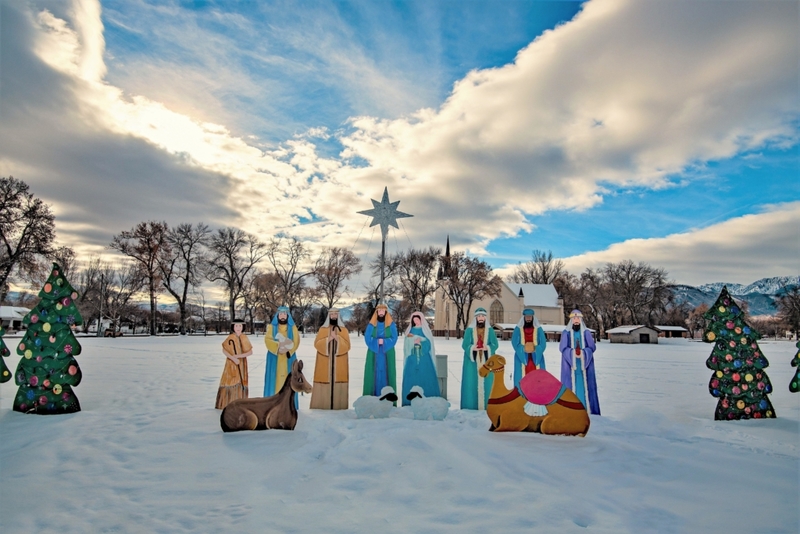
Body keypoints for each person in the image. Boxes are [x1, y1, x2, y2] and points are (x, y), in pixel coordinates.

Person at [560, 309, 600, 415]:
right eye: (574, 318)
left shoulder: (586, 333)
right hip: (570, 366)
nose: (576, 320)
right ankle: (570, 411)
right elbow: (563, 348)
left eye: (578, 318)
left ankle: (589, 410)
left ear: (581, 320)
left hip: (585, 367)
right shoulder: (566, 333)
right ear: (571, 320)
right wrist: (572, 353)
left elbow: (592, 347)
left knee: (586, 387)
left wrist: (583, 353)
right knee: (571, 387)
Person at [310, 308, 351, 410]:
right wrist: (328, 339)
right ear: (329, 316)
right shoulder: (322, 329)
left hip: (339, 362)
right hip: (324, 362)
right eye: (331, 314)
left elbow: (347, 346)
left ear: (338, 316)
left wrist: (337, 338)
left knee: (339, 378)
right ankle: (322, 404)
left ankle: (339, 404)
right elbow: (317, 344)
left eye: (335, 314)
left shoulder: (344, 330)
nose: (333, 316)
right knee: (324, 377)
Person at [460, 307, 498, 410]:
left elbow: (495, 344)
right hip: (472, 362)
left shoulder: (490, 331)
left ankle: (487, 405)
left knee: (488, 384)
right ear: (476, 318)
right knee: (471, 383)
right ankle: (471, 406)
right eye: (479, 316)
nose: (481, 318)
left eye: (482, 316)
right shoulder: (469, 330)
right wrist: (472, 348)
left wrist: (488, 348)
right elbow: (465, 344)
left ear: (485, 318)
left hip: (486, 361)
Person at [402, 311, 440, 405]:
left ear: (421, 320)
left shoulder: (425, 331)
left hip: (424, 359)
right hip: (412, 358)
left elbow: (428, 344)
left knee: (426, 376)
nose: (416, 321)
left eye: (417, 319)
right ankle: (409, 401)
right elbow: (406, 344)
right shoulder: (410, 331)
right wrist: (412, 342)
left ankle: (429, 398)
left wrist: (421, 343)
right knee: (412, 377)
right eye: (414, 320)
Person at [363, 303, 399, 401]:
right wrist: (375, 342)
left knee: (387, 373)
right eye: (380, 311)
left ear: (386, 312)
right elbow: (367, 337)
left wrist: (385, 342)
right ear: (377, 312)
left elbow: (394, 337)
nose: (381, 313)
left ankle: (388, 397)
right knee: (373, 374)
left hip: (387, 353)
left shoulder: (391, 325)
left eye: (383, 311)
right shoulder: (371, 325)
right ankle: (372, 398)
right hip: (374, 353)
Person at [264, 306, 300, 401]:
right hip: (274, 357)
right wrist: (278, 347)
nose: (283, 316)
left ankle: (288, 403)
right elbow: (268, 340)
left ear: (288, 315)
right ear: (278, 315)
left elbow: (296, 341)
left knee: (288, 379)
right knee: (274, 380)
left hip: (289, 358)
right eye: (281, 314)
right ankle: (272, 401)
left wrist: (289, 351)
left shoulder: (292, 328)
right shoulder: (272, 327)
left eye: (285, 314)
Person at [215, 319, 253, 409]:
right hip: (231, 363)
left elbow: (250, 352)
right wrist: (233, 358)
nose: (238, 328)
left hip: (242, 363)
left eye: (240, 326)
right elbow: (224, 350)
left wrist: (239, 356)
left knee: (241, 380)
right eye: (236, 326)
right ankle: (225, 403)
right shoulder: (231, 337)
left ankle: (240, 402)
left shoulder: (244, 338)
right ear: (233, 327)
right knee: (230, 380)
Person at [511, 308, 547, 389]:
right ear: (524, 317)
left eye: (530, 317)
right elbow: (514, 342)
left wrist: (536, 349)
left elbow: (543, 343)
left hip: (536, 357)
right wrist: (523, 348)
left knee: (536, 375)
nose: (528, 319)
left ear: (533, 318)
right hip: (522, 358)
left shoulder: (538, 329)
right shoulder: (518, 329)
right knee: (522, 375)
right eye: (527, 317)